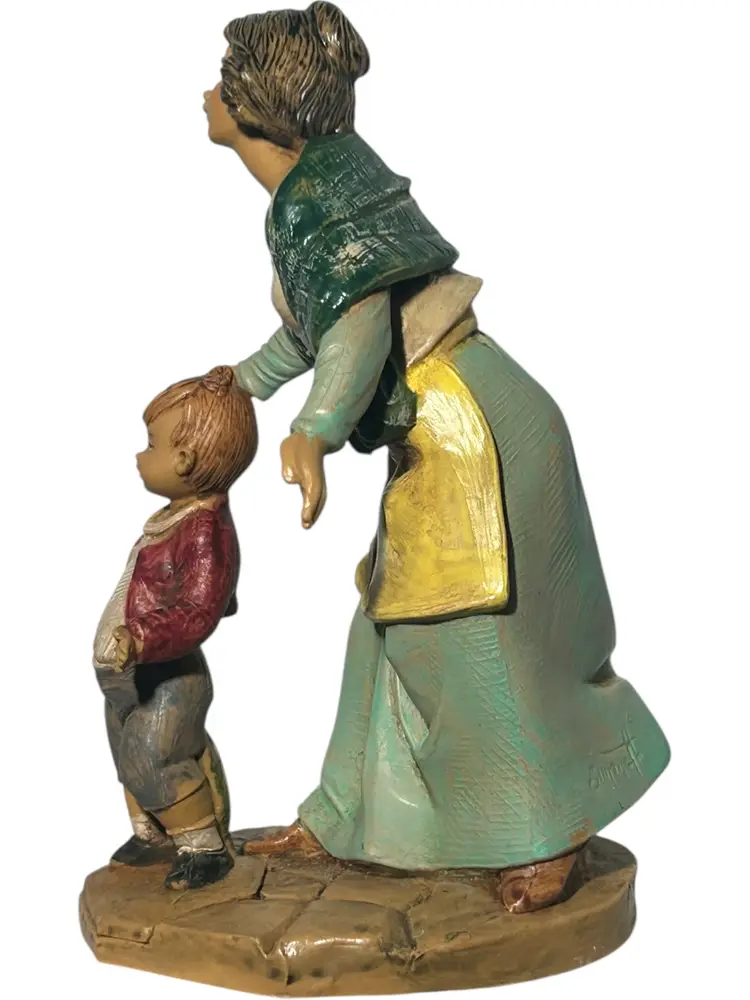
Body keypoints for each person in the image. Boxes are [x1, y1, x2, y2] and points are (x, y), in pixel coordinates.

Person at [204, 3, 670, 912]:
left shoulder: (317, 201)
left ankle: (545, 831)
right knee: (383, 631)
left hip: (461, 432)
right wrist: (243, 381)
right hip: (465, 412)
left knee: (461, 642)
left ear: (255, 107)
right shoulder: (331, 182)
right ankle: (346, 818)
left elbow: (356, 325)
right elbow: (319, 320)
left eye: (221, 82)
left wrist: (316, 429)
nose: (206, 96)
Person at [93, 366, 256, 891]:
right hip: (131, 673)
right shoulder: (177, 516)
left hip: (169, 673)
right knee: (127, 748)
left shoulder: (205, 531)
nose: (141, 456)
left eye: (151, 445)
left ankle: (204, 847)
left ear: (184, 460)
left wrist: (142, 638)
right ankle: (153, 834)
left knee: (155, 753)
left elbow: (199, 610)